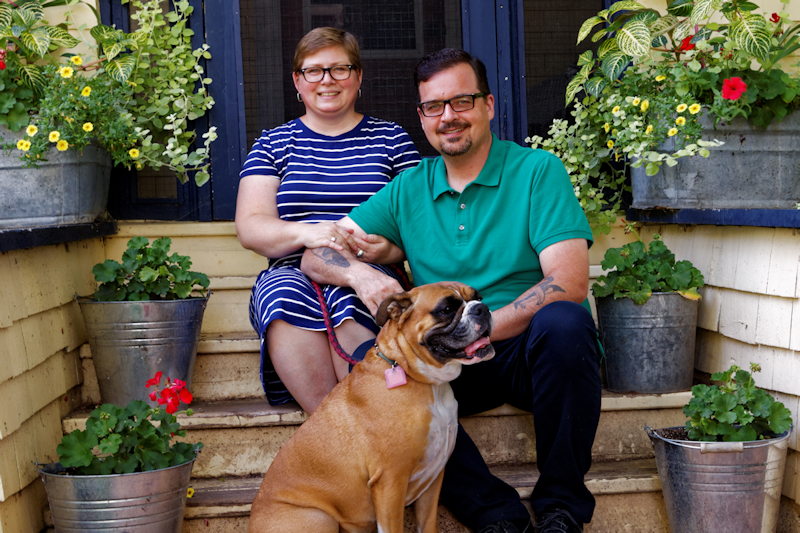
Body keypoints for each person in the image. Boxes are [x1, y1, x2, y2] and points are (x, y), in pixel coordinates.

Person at [300, 48, 602, 533]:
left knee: (567, 322)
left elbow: (567, 281)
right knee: (379, 360)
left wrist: (479, 334)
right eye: (433, 107)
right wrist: (364, 274)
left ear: (489, 105)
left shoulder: (537, 172)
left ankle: (562, 507)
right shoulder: (408, 188)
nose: (448, 117)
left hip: (529, 352)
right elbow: (316, 255)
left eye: (461, 101)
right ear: (421, 116)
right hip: (448, 362)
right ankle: (495, 515)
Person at [235, 27, 421, 414]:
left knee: (352, 296)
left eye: (339, 69)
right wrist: (310, 232)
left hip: (374, 268)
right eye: (314, 71)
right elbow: (251, 227)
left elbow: (421, 222)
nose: (327, 80)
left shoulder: (392, 139)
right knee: (282, 292)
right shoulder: (273, 143)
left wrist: (388, 248)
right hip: (291, 272)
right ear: (297, 81)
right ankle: (332, 431)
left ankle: (365, 427)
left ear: (358, 76)